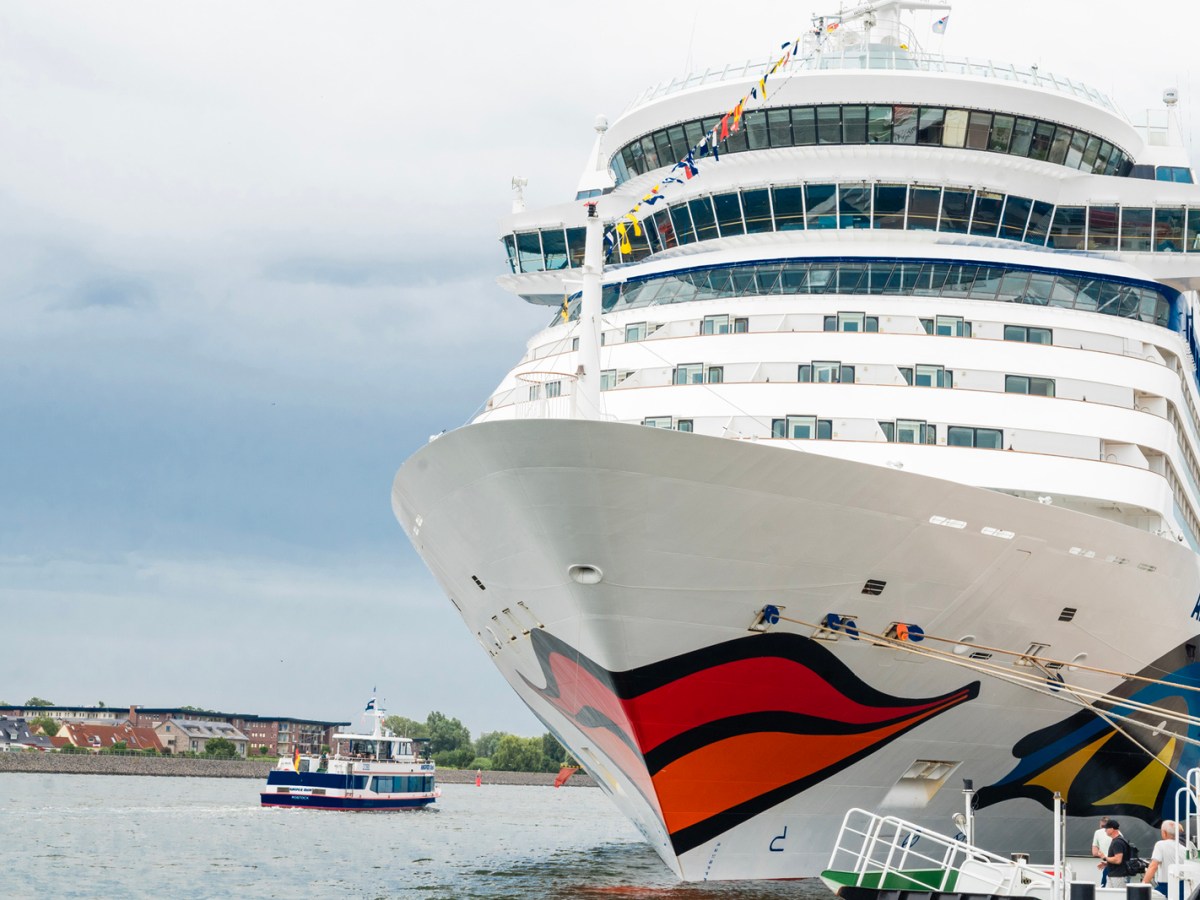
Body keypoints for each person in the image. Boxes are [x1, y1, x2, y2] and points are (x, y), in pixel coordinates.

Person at [1144, 820, 1185, 899]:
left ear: (1164, 832)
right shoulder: (1183, 848)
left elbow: (1153, 866)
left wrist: (1143, 883)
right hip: (1182, 887)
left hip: (1166, 887)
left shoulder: (1160, 845)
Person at [1100, 819, 1131, 889]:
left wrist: (1105, 858)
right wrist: (1107, 863)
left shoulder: (1117, 842)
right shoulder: (1117, 840)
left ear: (1112, 829)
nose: (1105, 830)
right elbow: (1120, 859)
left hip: (1118, 876)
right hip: (1113, 875)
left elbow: (1118, 860)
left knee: (1118, 897)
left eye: (1106, 828)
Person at [1092, 816, 1112, 887]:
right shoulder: (1119, 834)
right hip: (1120, 868)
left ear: (1101, 824)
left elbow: (1094, 853)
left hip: (1109, 865)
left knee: (1104, 890)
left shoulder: (1098, 832)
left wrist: (1103, 854)